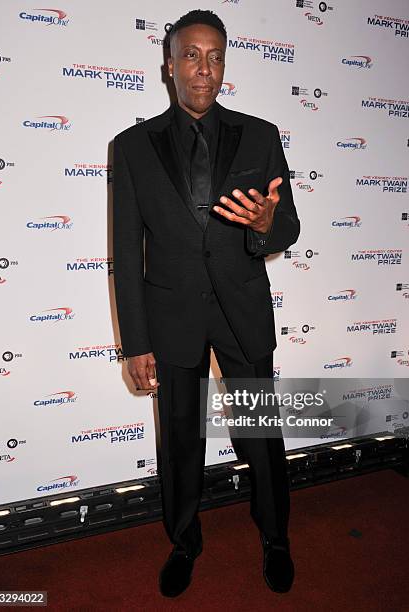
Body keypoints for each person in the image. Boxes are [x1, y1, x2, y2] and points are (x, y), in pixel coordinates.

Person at [112, 9, 300, 597]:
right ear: (169, 66)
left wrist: (267, 226)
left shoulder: (261, 135)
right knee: (180, 437)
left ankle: (275, 537)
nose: (205, 68)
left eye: (215, 56)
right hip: (171, 315)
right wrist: (135, 343)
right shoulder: (131, 147)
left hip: (242, 311)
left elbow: (287, 226)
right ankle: (184, 539)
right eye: (191, 55)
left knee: (260, 433)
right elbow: (124, 250)